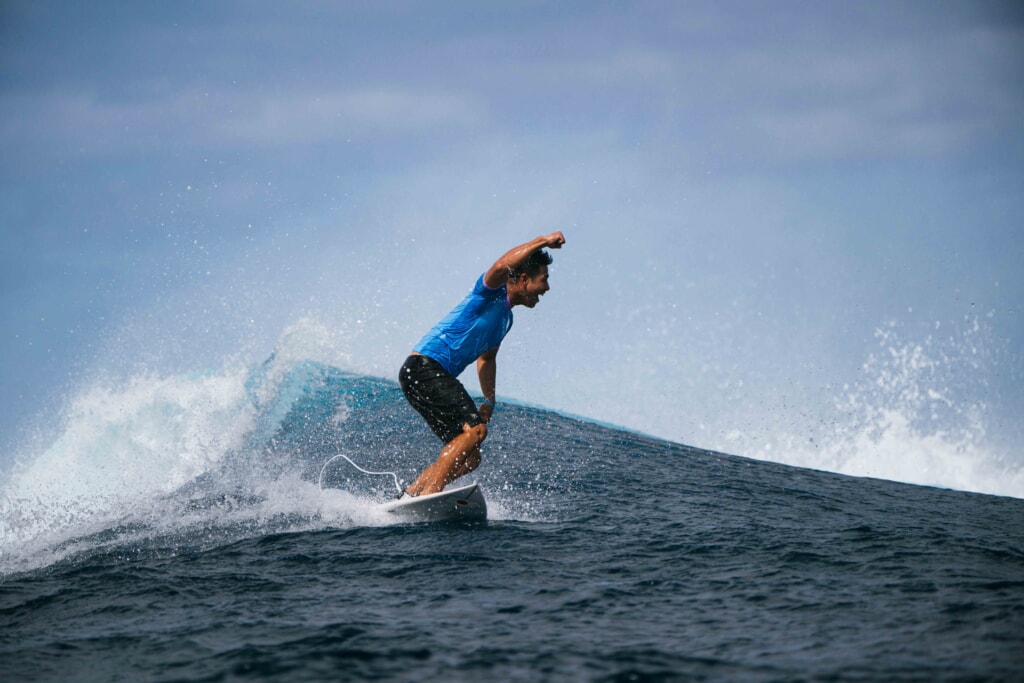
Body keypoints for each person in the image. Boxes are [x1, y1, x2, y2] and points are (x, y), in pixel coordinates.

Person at [398, 231, 566, 497]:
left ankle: (410, 496)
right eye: (543, 280)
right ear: (523, 279)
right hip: (424, 366)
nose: (547, 288)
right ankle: (432, 493)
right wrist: (543, 241)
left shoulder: (505, 320)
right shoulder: (489, 293)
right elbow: (501, 265)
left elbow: (487, 359)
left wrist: (489, 400)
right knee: (476, 431)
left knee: (471, 457)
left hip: (424, 374)